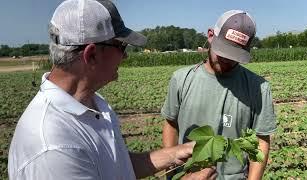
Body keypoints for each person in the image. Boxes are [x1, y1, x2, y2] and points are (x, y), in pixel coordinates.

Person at [8, 0, 217, 179]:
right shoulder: (53, 148)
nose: (125, 57)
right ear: (91, 55)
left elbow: (118, 168)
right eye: (121, 47)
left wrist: (176, 153)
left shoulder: (93, 102)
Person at [162, 10, 277, 180]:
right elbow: (171, 125)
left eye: (234, 55)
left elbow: (261, 141)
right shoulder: (181, 79)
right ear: (210, 35)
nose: (227, 60)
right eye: (223, 51)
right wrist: (171, 174)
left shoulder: (258, 87)